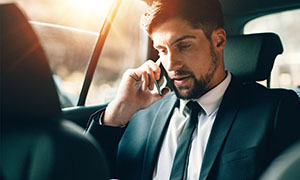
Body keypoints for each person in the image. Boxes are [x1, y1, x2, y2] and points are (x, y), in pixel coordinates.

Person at [86, 0, 300, 179]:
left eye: (184, 46)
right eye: (162, 50)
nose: (171, 64)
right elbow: (83, 171)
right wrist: (117, 113)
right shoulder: (141, 114)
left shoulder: (276, 111)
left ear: (219, 40)